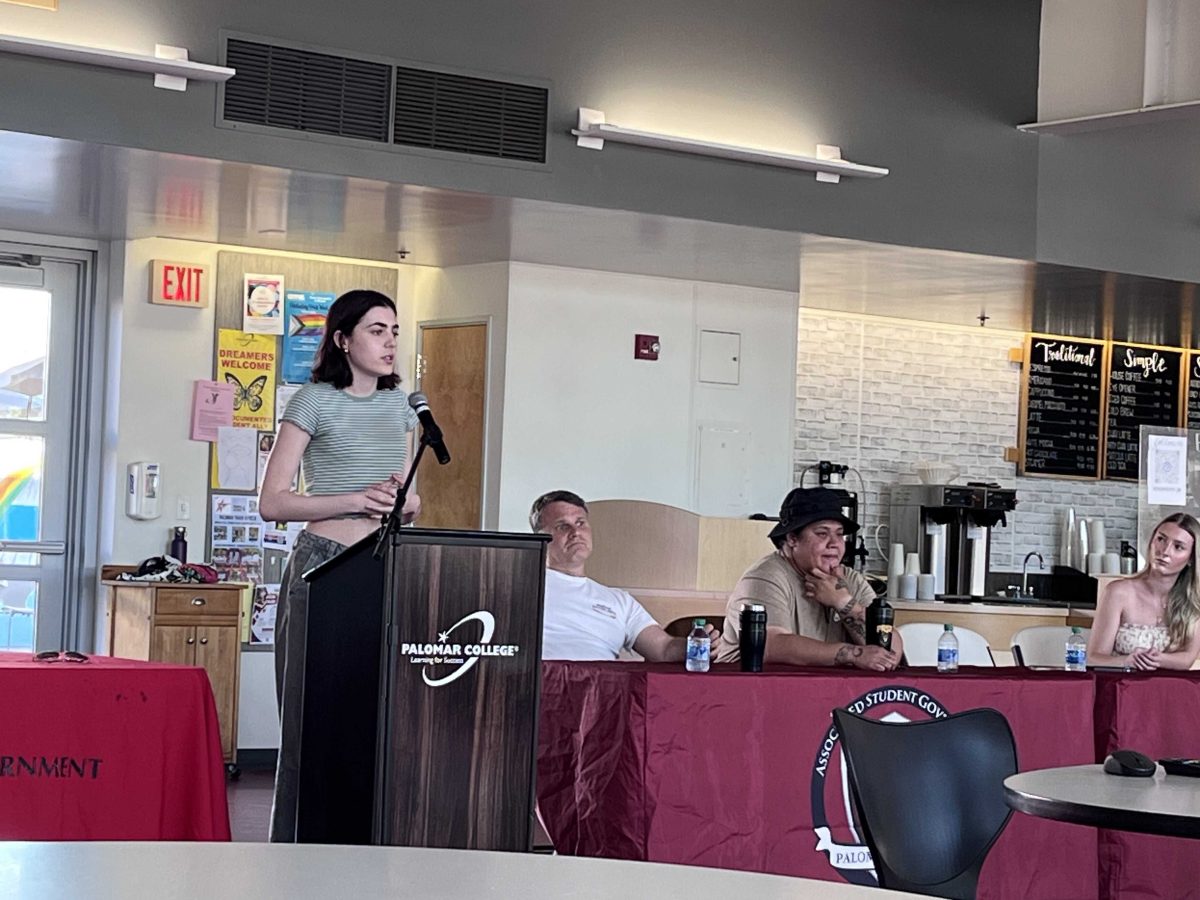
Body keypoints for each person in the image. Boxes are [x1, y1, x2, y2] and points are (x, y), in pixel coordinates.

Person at [258, 289, 422, 842]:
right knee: (310, 719)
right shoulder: (312, 401)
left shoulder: (402, 408)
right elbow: (274, 502)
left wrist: (395, 501)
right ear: (342, 339)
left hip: (384, 564)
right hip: (322, 565)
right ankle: (295, 854)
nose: (390, 342)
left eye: (395, 331)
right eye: (377, 330)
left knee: (377, 716)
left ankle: (371, 848)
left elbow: (413, 499)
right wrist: (355, 498)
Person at [714, 487, 902, 670]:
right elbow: (771, 647)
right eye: (822, 533)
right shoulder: (765, 577)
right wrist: (853, 654)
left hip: (828, 693)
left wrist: (845, 603)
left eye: (839, 534)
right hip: (752, 693)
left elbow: (891, 653)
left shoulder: (851, 580)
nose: (835, 543)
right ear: (792, 539)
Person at [530, 490, 719, 661]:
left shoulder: (619, 601)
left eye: (581, 523)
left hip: (599, 692)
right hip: (537, 690)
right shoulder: (521, 587)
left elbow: (663, 648)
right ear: (540, 537)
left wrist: (696, 645)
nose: (576, 532)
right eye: (562, 526)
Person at [1087, 513, 1200, 671]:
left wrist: (1156, 659)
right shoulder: (1118, 592)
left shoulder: (1194, 602)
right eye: (1161, 539)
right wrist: (1127, 661)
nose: (1165, 551)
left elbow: (1187, 659)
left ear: (1191, 559)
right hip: (1122, 686)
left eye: (1178, 546)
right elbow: (1094, 657)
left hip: (1169, 689)